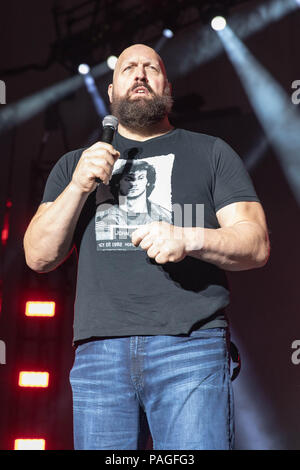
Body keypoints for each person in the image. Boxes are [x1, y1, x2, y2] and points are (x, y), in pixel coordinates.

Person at [23, 43, 270, 450]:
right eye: (128, 69)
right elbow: (38, 256)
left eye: (150, 68)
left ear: (166, 85)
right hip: (99, 355)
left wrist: (190, 236)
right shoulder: (74, 166)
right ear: (111, 92)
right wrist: (78, 187)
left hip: (189, 348)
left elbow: (256, 243)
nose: (139, 74)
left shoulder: (210, 152)